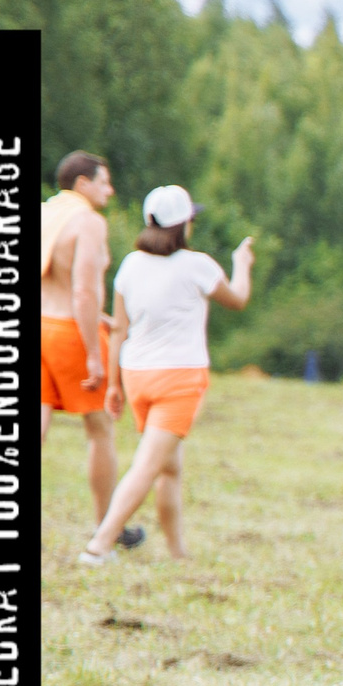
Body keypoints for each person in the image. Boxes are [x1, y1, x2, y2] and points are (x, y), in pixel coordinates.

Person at [80, 187, 252, 562]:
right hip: (180, 379)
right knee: (147, 466)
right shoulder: (197, 265)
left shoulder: (130, 266)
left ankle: (177, 553)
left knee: (169, 466)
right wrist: (242, 263)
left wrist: (113, 385)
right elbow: (237, 299)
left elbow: (119, 330)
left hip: (136, 375)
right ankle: (100, 544)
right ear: (183, 225)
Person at [39, 152, 139, 546]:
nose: (109, 190)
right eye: (104, 182)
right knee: (99, 430)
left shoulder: (46, 215)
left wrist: (100, 317)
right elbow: (81, 289)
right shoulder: (89, 223)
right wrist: (96, 355)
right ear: (82, 183)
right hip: (69, 334)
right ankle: (107, 528)